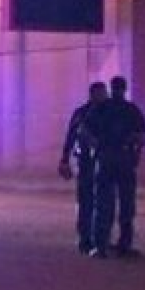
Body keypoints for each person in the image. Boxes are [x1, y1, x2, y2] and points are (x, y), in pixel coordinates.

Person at [82, 76, 145, 258]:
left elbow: (85, 131)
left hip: (106, 157)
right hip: (125, 158)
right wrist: (135, 150)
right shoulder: (131, 110)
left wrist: (96, 146)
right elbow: (143, 136)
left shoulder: (101, 108)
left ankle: (101, 245)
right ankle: (124, 245)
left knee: (103, 203)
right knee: (127, 204)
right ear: (125, 89)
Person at [58, 82, 108, 255]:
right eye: (101, 93)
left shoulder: (108, 112)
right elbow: (71, 136)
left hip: (104, 162)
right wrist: (64, 159)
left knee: (102, 202)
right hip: (87, 162)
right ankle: (85, 238)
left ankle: (99, 238)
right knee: (86, 200)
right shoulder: (82, 113)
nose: (103, 96)